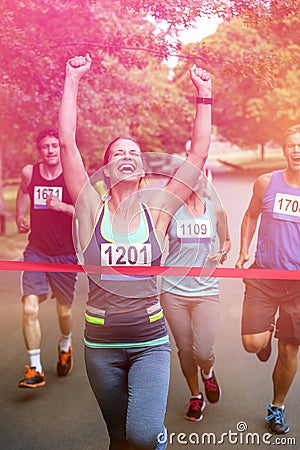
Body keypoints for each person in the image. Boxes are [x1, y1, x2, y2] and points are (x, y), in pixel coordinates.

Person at [58, 53, 212, 449]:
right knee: (119, 438)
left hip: (150, 344)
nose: (126, 156)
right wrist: (72, 79)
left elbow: (196, 156)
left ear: (142, 170)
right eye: (117, 154)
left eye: (133, 153)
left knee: (143, 436)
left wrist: (204, 96)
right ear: (106, 171)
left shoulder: (157, 215)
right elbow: (66, 143)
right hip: (101, 347)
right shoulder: (92, 209)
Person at [235, 124, 300, 435]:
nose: (297, 150)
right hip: (263, 275)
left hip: (298, 286)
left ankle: (277, 407)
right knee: (253, 344)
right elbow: (250, 215)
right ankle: (266, 330)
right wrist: (243, 250)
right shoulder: (266, 182)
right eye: (292, 145)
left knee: (289, 350)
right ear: (284, 149)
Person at [160, 173, 231, 421]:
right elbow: (155, 242)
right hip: (173, 291)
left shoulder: (216, 210)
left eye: (199, 176)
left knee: (202, 351)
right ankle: (195, 396)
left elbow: (227, 242)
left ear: (206, 179)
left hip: (206, 291)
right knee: (184, 349)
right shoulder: (170, 212)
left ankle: (208, 373)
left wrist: (221, 254)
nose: (194, 181)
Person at [16, 128, 78, 388]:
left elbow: (87, 211)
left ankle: (65, 344)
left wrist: (62, 207)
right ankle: (35, 368)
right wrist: (21, 215)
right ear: (39, 150)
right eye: (46, 147)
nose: (51, 150)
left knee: (63, 310)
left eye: (55, 145)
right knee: (29, 308)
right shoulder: (30, 172)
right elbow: (23, 191)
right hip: (37, 250)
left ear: (60, 148)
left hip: (65, 253)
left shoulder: (71, 175)